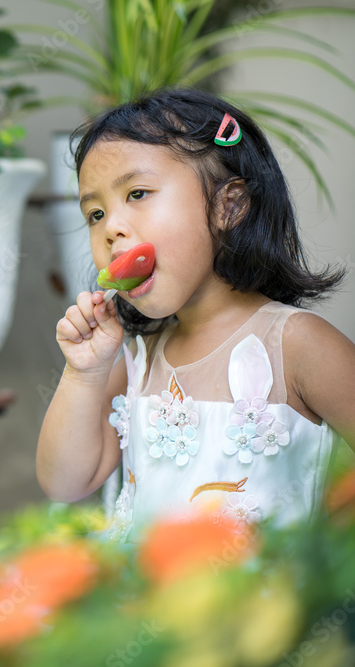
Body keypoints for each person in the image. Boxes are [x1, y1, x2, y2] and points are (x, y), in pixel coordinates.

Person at [36, 88, 355, 541]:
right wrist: (82, 374)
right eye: (95, 213)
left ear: (229, 206)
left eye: (137, 193)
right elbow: (64, 482)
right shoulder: (137, 361)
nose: (112, 229)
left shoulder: (298, 345)